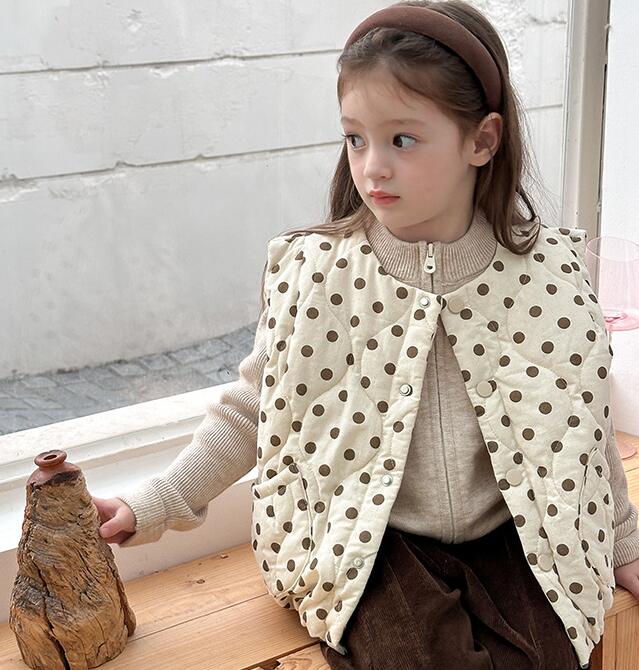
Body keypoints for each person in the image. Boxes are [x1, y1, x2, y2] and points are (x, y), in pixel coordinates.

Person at [91, 2, 639, 668]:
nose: (372, 166)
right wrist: (155, 502)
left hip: (513, 529)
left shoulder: (544, 274)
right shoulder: (318, 274)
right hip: (365, 537)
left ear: (482, 141)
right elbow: (255, 409)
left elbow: (580, 423)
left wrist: (622, 543)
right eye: (355, 139)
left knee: (554, 652)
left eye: (401, 140)